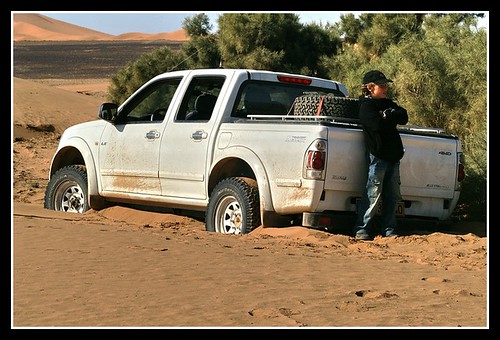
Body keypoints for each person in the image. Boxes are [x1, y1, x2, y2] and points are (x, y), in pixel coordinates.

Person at [354, 70, 408, 240]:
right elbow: (376, 125)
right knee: (372, 195)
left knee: (392, 197)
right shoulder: (366, 106)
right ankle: (362, 229)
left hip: (393, 157)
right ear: (370, 88)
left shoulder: (388, 103)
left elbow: (404, 116)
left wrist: (388, 115)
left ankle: (389, 230)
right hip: (378, 157)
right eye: (381, 85)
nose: (385, 88)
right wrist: (390, 117)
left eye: (385, 85)